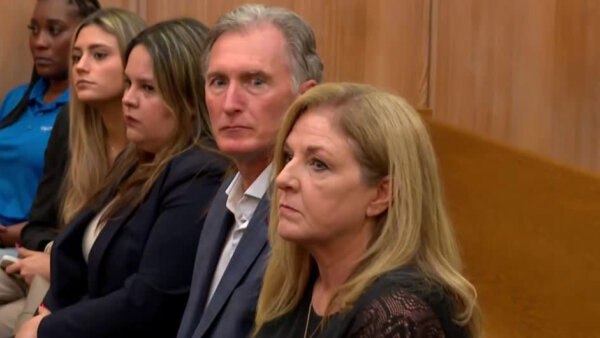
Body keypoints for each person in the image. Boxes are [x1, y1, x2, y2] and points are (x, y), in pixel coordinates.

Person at [15, 18, 227, 338]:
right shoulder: (138, 157)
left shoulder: (201, 175)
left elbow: (148, 303)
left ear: (189, 100)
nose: (128, 99)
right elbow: (76, 256)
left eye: (148, 88)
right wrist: (47, 313)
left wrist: (46, 328)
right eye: (128, 84)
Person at [253, 83, 481, 337]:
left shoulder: (399, 315)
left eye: (318, 164)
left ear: (381, 194)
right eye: (287, 156)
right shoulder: (296, 287)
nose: (283, 178)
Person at [176, 4, 322, 338]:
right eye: (218, 82)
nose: (230, 103)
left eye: (256, 82)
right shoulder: (228, 192)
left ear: (305, 98)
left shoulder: (311, 211)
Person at [0, 8, 146, 336]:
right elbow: (39, 224)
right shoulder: (70, 125)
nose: (80, 66)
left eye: (99, 55)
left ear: (133, 64)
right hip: (39, 262)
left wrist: (59, 262)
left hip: (86, 280)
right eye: (78, 56)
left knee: (25, 327)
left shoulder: (151, 140)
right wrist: (53, 252)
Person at [0, 0, 100, 248]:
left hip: (33, 245)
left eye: (54, 30)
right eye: (34, 29)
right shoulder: (16, 99)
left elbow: (84, 203)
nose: (39, 42)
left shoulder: (87, 111)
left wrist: (18, 234)